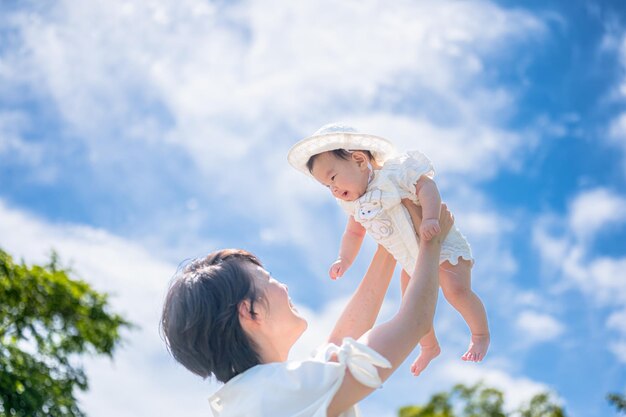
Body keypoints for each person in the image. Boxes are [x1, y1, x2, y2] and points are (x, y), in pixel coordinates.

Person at [160, 201, 453, 417]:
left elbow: (339, 345)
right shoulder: (269, 393)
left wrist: (390, 244)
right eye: (268, 280)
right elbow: (412, 324)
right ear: (250, 312)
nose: (284, 287)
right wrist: (431, 241)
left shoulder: (259, 395)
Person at [287, 123, 490, 376]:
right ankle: (429, 345)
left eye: (333, 178)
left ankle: (480, 333)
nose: (334, 190)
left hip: (442, 243)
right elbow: (353, 233)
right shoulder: (355, 205)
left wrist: (429, 218)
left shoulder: (394, 174)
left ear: (360, 160)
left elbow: (426, 187)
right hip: (410, 260)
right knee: (410, 304)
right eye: (327, 187)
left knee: (456, 291)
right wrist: (344, 258)